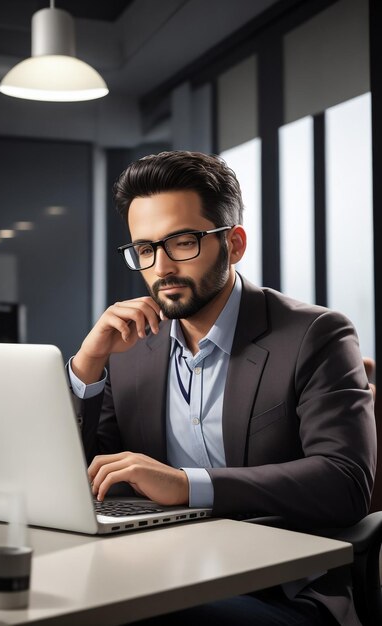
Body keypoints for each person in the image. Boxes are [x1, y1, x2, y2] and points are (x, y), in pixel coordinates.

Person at [68, 151, 376, 626]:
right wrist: (88, 366)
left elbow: (345, 481)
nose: (161, 267)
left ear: (233, 244)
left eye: (182, 242)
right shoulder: (131, 350)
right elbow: (87, 472)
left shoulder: (315, 334)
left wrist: (187, 485)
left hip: (283, 592)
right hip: (158, 569)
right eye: (145, 249)